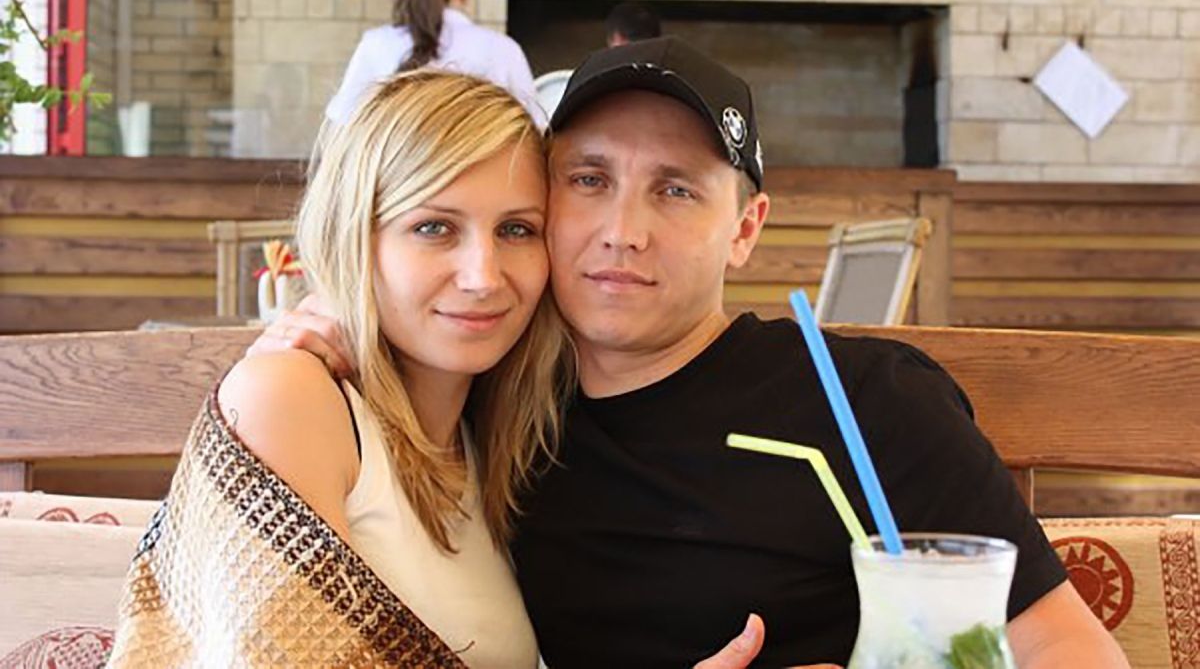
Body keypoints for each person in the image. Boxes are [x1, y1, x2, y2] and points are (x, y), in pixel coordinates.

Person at [254, 38, 1129, 668]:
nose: (622, 231)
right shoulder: (497, 403)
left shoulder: (870, 402)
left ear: (745, 228)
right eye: (589, 179)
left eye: (675, 190)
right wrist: (327, 312)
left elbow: (1067, 649)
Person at [107, 72, 567, 667]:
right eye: (433, 228)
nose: (483, 275)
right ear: (353, 238)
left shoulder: (500, 436)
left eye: (517, 230)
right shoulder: (294, 397)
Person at [325, 0, 545, 129]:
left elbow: (341, 119)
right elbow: (535, 127)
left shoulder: (376, 43)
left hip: (391, 164)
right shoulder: (501, 49)